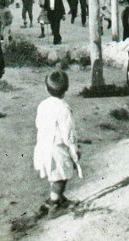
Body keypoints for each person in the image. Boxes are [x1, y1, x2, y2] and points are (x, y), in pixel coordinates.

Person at [33, 70, 82, 213]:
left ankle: (58, 198)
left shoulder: (43, 105)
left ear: (47, 88)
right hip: (57, 148)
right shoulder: (64, 108)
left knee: (55, 173)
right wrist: (74, 148)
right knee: (61, 176)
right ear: (66, 89)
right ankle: (54, 204)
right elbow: (68, 133)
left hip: (43, 144)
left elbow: (38, 123)